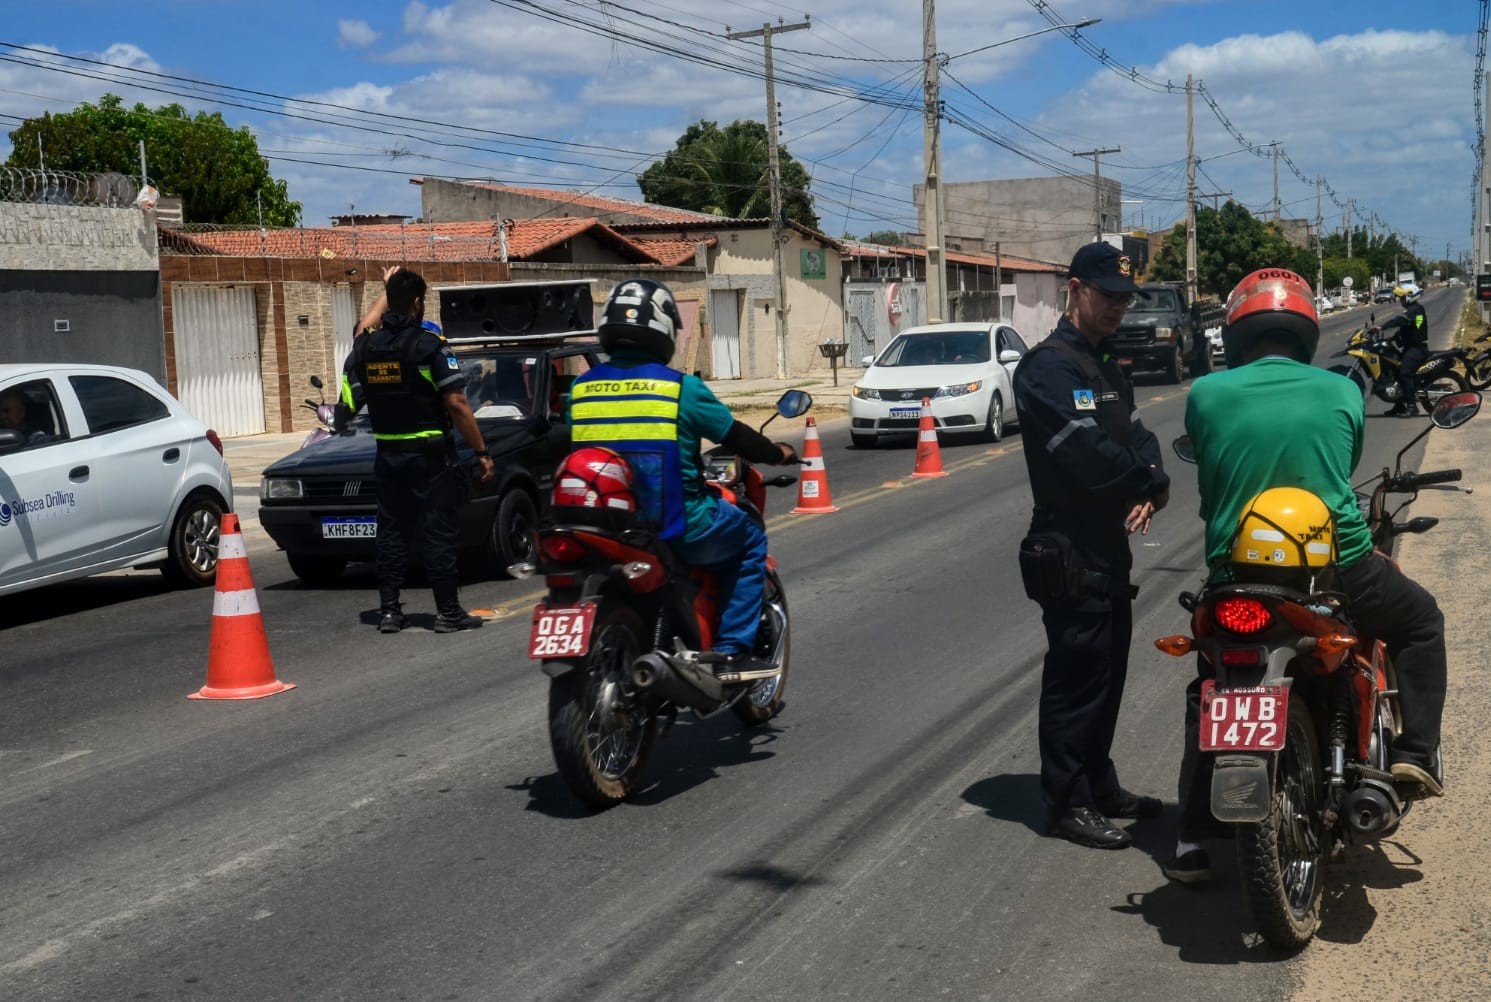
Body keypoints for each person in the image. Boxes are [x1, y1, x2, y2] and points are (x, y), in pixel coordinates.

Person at [1165, 267, 1446, 884]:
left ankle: (1192, 832)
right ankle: (1415, 758)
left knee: (1210, 680)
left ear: (1238, 333)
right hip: (1338, 569)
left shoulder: (1206, 396)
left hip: (1237, 574)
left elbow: (1212, 493)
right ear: (1305, 330)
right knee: (1422, 623)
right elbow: (1342, 467)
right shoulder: (1340, 391)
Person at [1012, 242, 1171, 850]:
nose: (1117, 309)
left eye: (1125, 299)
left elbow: (1141, 437)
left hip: (1109, 545)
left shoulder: (1104, 365)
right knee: (1077, 679)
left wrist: (1150, 485)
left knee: (1108, 675)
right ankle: (1067, 801)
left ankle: (1099, 784)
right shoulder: (1048, 369)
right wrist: (1149, 482)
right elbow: (1086, 456)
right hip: (1069, 544)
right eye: (1107, 296)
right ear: (1075, 288)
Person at [568, 278, 799, 671]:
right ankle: (732, 649)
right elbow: (736, 436)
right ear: (662, 331)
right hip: (678, 525)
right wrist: (777, 453)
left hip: (605, 529)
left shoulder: (580, 389)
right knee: (749, 540)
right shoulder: (682, 389)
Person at [340, 267, 496, 634]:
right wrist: (482, 451)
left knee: (391, 533)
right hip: (429, 458)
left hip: (387, 456)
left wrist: (385, 291)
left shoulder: (368, 346)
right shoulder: (430, 347)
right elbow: (457, 403)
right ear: (417, 303)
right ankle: (448, 612)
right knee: (438, 532)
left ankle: (391, 612)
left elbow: (361, 329)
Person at [1374, 285, 1429, 417]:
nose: (1400, 300)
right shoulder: (1414, 310)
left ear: (1410, 297)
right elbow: (1410, 327)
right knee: (1395, 371)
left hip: (1417, 349)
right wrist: (1392, 338)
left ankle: (1412, 407)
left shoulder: (1414, 310)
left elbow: (1401, 320)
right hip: (1411, 347)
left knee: (1405, 373)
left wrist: (1382, 327)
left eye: (1402, 297)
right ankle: (1399, 405)